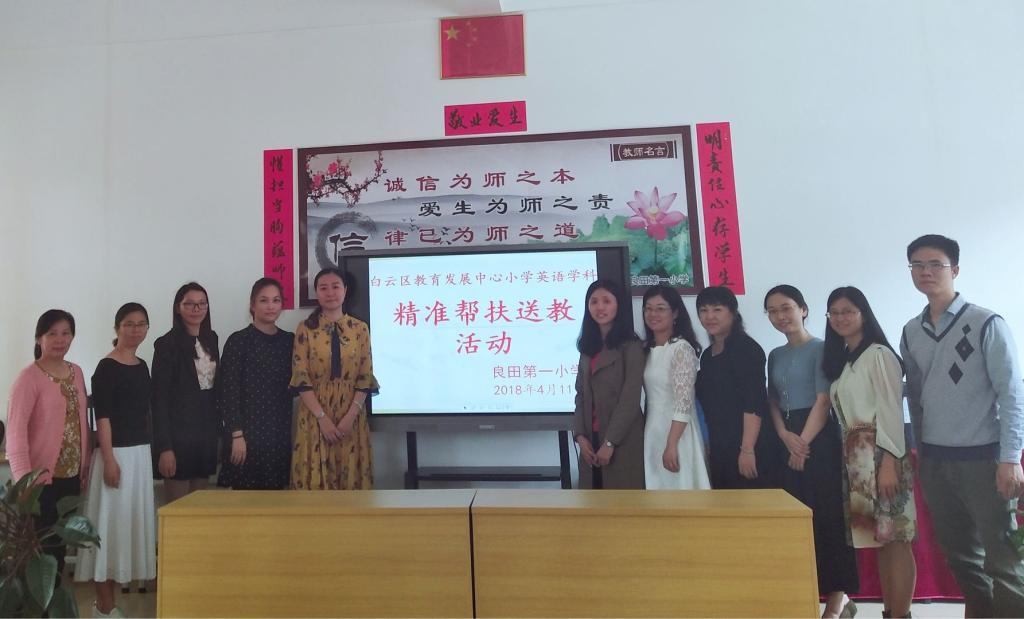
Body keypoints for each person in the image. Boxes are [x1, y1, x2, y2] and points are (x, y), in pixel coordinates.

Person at [900, 234, 1024, 618]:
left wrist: (1010, 458)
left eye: (935, 264)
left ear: (954, 269)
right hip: (936, 461)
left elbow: (1012, 394)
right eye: (917, 265)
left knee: (1003, 560)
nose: (925, 272)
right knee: (962, 559)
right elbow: (916, 399)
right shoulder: (912, 330)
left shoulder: (986, 322)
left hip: (985, 459)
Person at [764, 285, 858, 618]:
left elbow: (823, 400)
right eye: (772, 311)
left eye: (786, 308)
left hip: (818, 438)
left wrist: (801, 444)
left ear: (803, 309)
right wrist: (783, 434)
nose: (780, 316)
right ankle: (805, 596)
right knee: (797, 520)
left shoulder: (821, 348)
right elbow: (772, 400)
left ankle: (837, 600)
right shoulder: (775, 355)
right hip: (786, 435)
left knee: (828, 517)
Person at [824, 286, 916, 619]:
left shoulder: (879, 354)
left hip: (882, 453)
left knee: (897, 539)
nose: (841, 318)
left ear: (864, 314)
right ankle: (890, 611)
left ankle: (901, 614)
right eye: (834, 313)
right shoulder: (845, 360)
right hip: (856, 459)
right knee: (881, 540)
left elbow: (891, 411)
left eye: (848, 311)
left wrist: (889, 462)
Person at [74, 303, 157, 619]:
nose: (135, 330)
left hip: (139, 455)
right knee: (107, 530)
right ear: (117, 328)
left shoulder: (142, 365)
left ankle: (111, 606)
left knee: (126, 527)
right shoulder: (106, 367)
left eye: (141, 324)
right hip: (115, 455)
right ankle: (104, 607)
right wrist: (108, 460)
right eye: (128, 324)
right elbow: (103, 418)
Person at [6, 309, 91, 584]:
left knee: (60, 547)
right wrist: (25, 482)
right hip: (40, 482)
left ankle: (54, 603)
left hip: (71, 476)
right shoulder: (28, 378)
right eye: (52, 333)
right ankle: (38, 605)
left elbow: (80, 422)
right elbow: (15, 434)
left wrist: (85, 465)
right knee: (40, 553)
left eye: (66, 333)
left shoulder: (76, 372)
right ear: (39, 338)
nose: (60, 339)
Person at [290, 268, 379, 490]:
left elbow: (365, 376)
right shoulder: (305, 329)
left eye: (335, 286)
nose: (330, 292)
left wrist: (349, 418)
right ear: (317, 293)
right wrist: (322, 418)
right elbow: (301, 377)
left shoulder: (360, 329)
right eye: (323, 288)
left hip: (351, 415)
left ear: (345, 290)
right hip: (315, 416)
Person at [695, 286, 779, 489]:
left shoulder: (747, 349)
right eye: (704, 310)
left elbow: (754, 402)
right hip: (720, 443)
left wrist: (747, 449)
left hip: (749, 444)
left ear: (732, 312)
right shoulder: (707, 356)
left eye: (717, 309)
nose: (709, 316)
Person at [216, 278, 295, 490]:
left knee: (276, 502)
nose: (271, 306)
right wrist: (237, 435)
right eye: (264, 300)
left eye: (276, 300)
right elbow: (228, 392)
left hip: (278, 435)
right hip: (245, 437)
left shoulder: (290, 341)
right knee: (244, 503)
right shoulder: (238, 341)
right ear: (252, 305)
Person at [572, 279, 644, 489]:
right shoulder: (587, 348)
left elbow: (630, 399)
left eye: (606, 301)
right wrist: (580, 436)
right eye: (593, 301)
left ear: (618, 305)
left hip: (622, 439)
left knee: (621, 501)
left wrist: (610, 442)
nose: (600, 307)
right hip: (590, 439)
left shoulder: (631, 346)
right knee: (591, 501)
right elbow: (580, 395)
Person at [151, 282, 220, 503]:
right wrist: (165, 448)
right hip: (178, 437)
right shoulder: (166, 344)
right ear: (177, 308)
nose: (196, 309)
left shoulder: (211, 339)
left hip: (206, 434)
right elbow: (159, 399)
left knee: (199, 506)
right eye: (189, 304)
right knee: (177, 507)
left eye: (202, 303)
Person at [640, 285, 710, 490]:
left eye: (660, 308)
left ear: (675, 313)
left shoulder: (681, 349)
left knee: (681, 489)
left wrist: (672, 444)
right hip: (653, 428)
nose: (653, 314)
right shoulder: (647, 350)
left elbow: (683, 403)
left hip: (678, 432)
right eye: (648, 308)